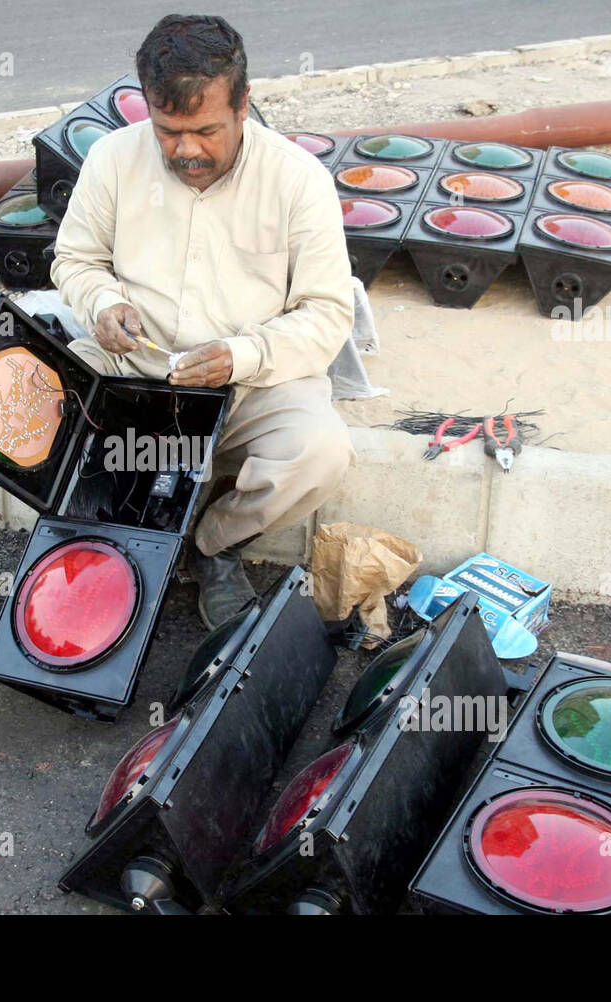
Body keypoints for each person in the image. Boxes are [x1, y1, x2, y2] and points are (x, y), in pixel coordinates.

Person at [50, 13, 355, 629]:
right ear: (149, 111)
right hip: (135, 369)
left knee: (319, 452)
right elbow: (74, 261)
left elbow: (327, 314)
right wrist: (104, 304)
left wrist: (242, 355)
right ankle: (98, 531)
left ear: (244, 104)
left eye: (206, 131)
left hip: (247, 383)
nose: (187, 150)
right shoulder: (112, 158)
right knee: (35, 402)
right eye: (169, 132)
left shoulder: (298, 180)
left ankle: (212, 546)